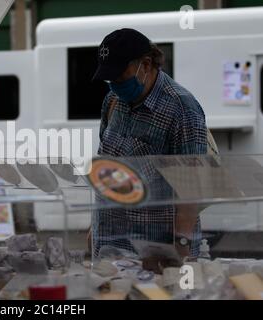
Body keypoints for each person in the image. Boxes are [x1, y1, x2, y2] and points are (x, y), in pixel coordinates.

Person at [89, 28, 219, 261]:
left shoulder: (182, 109)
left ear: (146, 65)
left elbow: (190, 192)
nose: (115, 83)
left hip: (156, 252)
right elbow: (104, 166)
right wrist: (94, 227)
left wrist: (180, 252)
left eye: (120, 75)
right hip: (110, 243)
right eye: (110, 78)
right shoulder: (112, 101)